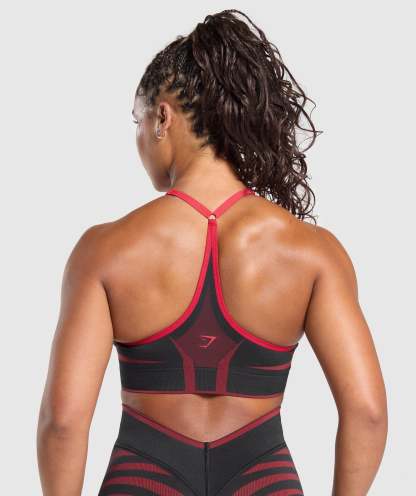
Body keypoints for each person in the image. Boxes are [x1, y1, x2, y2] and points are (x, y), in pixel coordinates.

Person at [36, 9, 388, 496]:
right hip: (263, 480)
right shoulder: (313, 253)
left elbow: (63, 421)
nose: (138, 138)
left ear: (163, 118)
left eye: (138, 120)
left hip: (142, 480)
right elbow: (368, 412)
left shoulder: (105, 250)